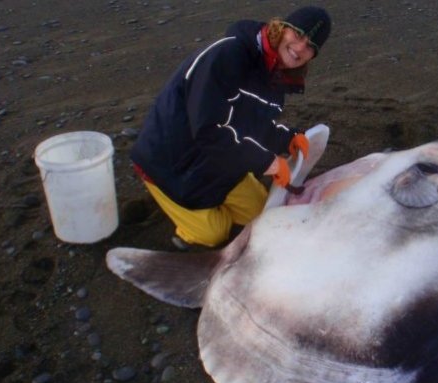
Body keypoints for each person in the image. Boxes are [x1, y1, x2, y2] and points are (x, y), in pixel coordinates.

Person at [130, 6, 331, 250]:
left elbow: (251, 121)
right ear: (283, 28)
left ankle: (202, 206)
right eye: (298, 35)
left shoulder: (278, 74)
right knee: (214, 233)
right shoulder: (228, 54)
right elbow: (208, 130)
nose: (300, 48)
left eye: (310, 46)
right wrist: (266, 162)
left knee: (261, 213)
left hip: (217, 161)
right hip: (172, 162)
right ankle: (182, 219)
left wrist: (285, 139)